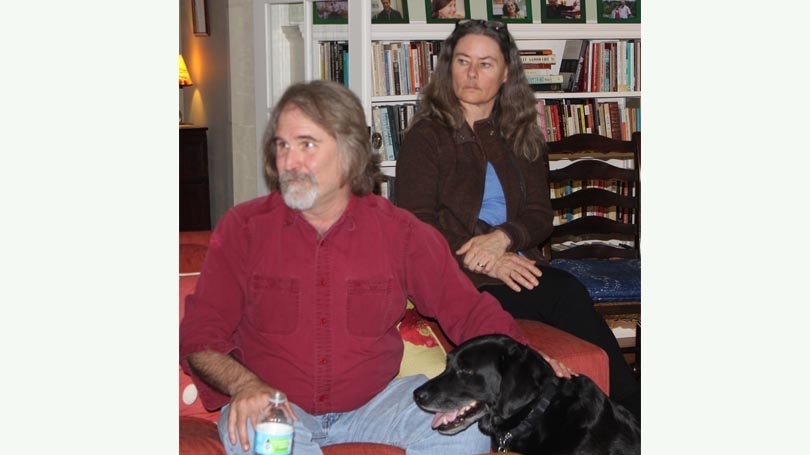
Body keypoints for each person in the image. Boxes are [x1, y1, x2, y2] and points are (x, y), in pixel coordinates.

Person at [179, 80, 574, 455]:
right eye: (282, 145)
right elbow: (200, 335)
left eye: (307, 145)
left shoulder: (400, 232)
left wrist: (530, 361)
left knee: (467, 430)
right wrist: (246, 385)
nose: (289, 161)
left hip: (377, 403)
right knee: (257, 436)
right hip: (274, 404)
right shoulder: (245, 228)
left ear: (350, 153)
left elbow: (466, 310)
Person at [394, 19, 641, 421]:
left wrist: (504, 239)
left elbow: (540, 216)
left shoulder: (520, 131)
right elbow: (416, 222)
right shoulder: (427, 135)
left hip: (514, 261)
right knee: (563, 294)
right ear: (448, 67)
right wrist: (484, 255)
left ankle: (622, 412)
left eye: (486, 63)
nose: (472, 73)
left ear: (506, 72)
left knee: (566, 291)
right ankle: (629, 411)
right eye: (463, 61)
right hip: (452, 274)